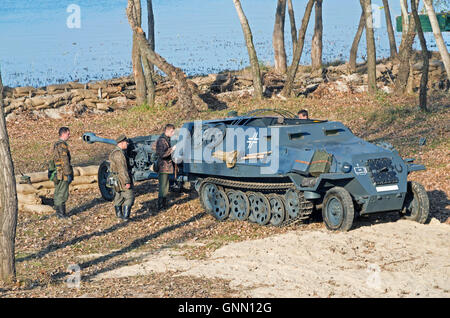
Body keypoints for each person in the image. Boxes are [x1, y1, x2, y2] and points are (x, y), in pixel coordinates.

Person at [109, 134, 134, 220]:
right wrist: (127, 181)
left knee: (118, 196)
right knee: (129, 196)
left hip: (115, 178)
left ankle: (119, 215)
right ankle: (126, 217)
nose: (127, 144)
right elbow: (122, 169)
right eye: (126, 142)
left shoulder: (115, 152)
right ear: (122, 143)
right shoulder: (119, 154)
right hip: (120, 178)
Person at [52, 126, 73, 218]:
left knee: (57, 192)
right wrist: (68, 173)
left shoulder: (55, 145)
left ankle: (58, 212)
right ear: (63, 134)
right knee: (63, 193)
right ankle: (61, 214)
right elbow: (65, 160)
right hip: (63, 173)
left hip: (57, 173)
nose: (69, 135)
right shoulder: (62, 145)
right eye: (68, 133)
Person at [156, 124, 177, 210]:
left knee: (165, 186)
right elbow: (162, 154)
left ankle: (163, 205)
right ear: (167, 131)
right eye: (172, 131)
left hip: (165, 167)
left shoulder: (165, 139)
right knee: (163, 187)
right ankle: (161, 206)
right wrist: (172, 149)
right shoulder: (162, 140)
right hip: (163, 167)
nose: (173, 133)